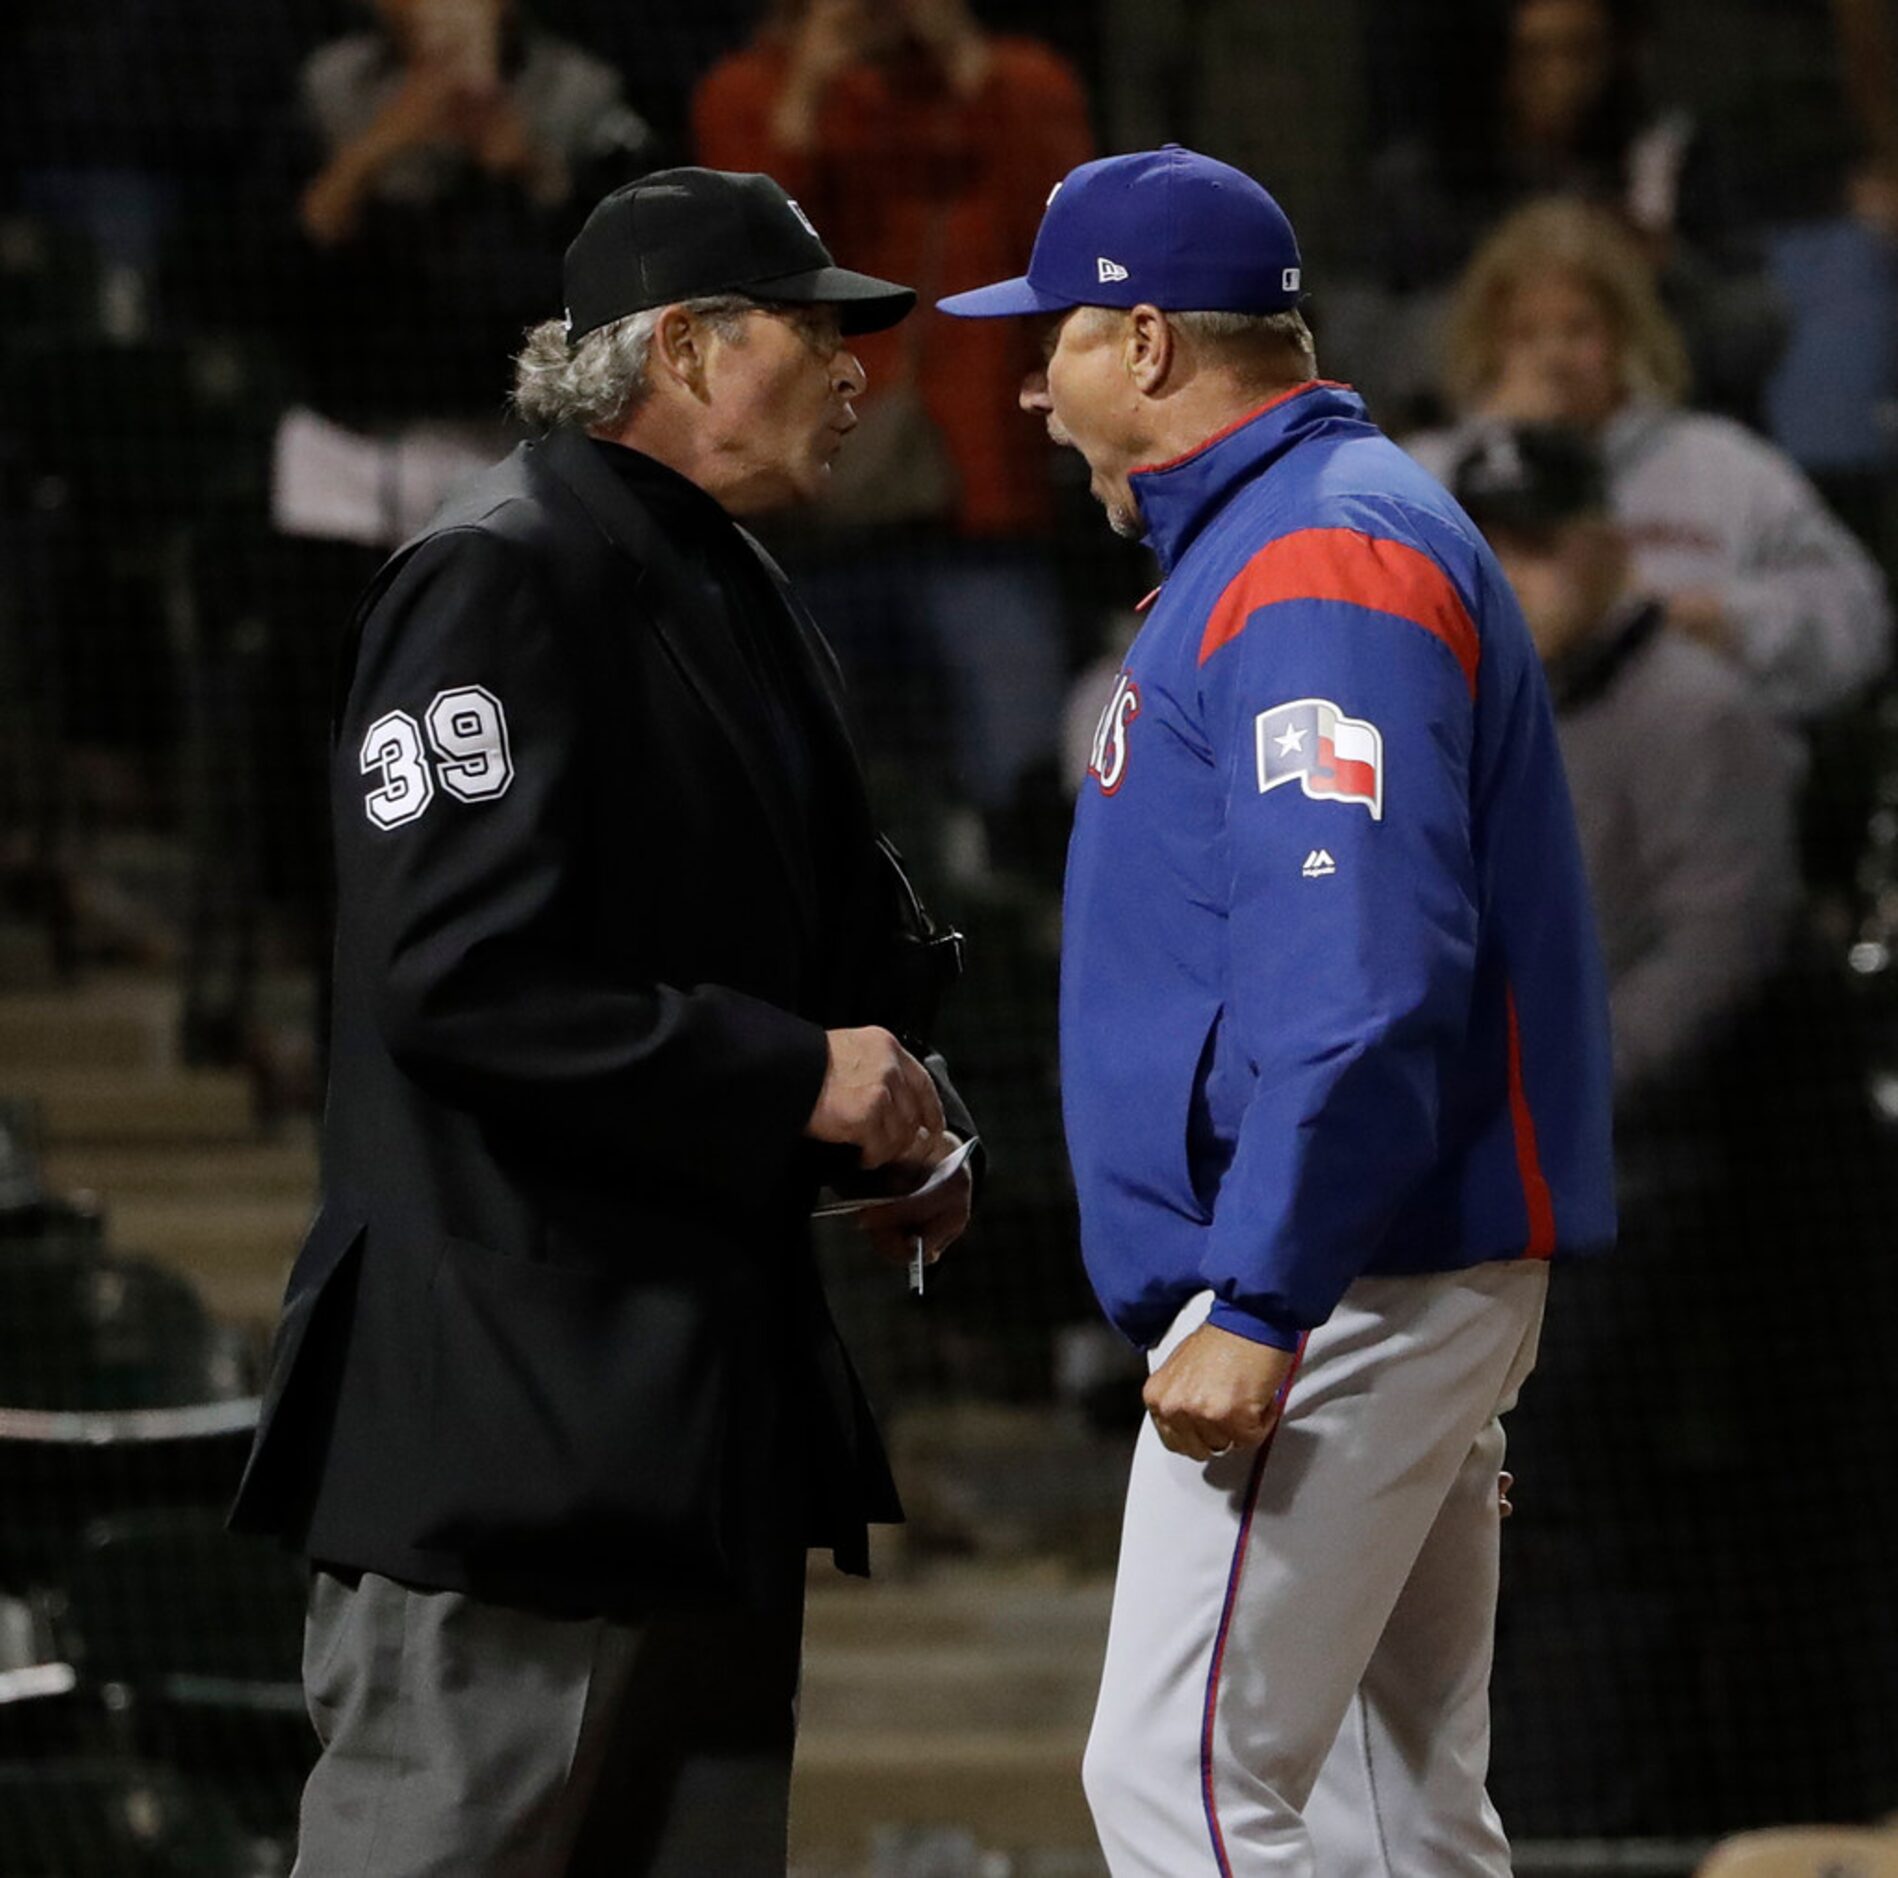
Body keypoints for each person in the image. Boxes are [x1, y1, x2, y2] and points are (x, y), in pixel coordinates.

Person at [229, 166, 977, 1874]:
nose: (855, 369)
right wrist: (795, 1073)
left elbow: (821, 955)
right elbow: (456, 977)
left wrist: (902, 1107)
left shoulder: (738, 592)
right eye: (814, 329)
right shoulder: (497, 572)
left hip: (689, 1429)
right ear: (691, 349)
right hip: (507, 1425)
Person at [939, 146, 1615, 1873]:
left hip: (1342, 1267)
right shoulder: (1293, 534)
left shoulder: (1322, 557)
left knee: (1182, 1783)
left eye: (1058, 339)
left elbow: (1360, 977)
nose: (1029, 383)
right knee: (1394, 1812)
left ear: (1149, 342)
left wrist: (1263, 1288)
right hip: (1378, 1261)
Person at [693, 0, 1093, 837]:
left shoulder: (1019, 84)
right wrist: (808, 87)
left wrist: (967, 62)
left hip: (982, 511)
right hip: (811, 516)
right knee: (798, 797)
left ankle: (1010, 956)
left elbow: (1073, 245)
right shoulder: (751, 89)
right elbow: (739, 272)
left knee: (1018, 790)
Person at [1405, 197, 1891, 725]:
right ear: (1489, 344)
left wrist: (1723, 620)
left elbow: (1857, 618)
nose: (1553, 359)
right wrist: (1494, 448)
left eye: (1577, 330)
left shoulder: (1723, 466)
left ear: (1622, 337)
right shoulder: (1423, 474)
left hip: (1687, 757)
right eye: (1526, 335)